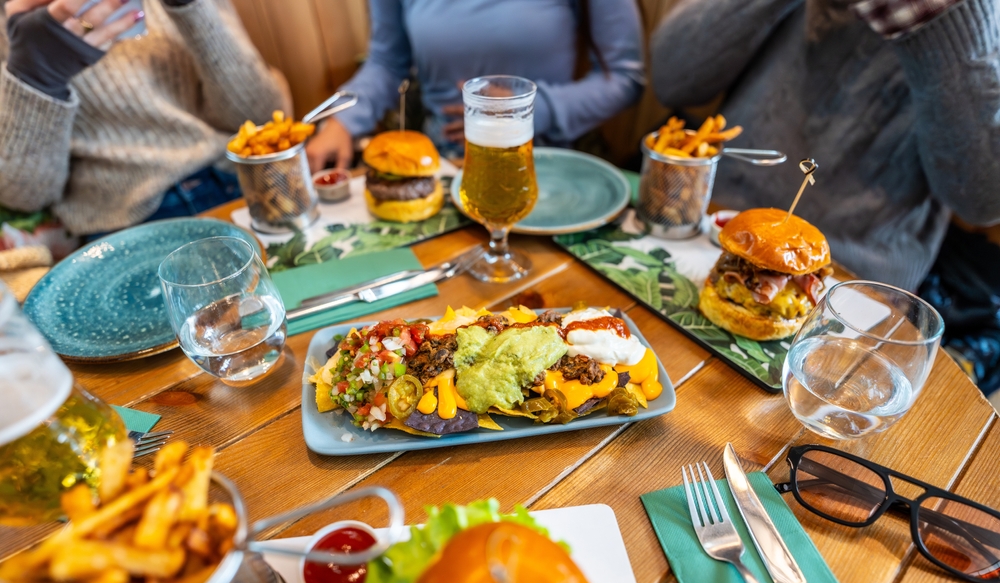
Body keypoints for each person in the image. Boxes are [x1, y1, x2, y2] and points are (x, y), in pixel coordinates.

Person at [650, 0, 1000, 393]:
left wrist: (941, 18)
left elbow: (983, 200)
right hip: (704, 230)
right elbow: (670, 79)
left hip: (866, 297)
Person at [0, 0, 288, 237]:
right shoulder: (10, 35)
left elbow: (260, 117)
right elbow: (25, 196)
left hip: (238, 182)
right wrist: (35, 78)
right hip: (125, 224)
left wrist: (192, 8)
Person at [306, 0, 645, 171]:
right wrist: (342, 121)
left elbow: (625, 78)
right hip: (444, 165)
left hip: (547, 162)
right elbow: (385, 62)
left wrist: (532, 110)